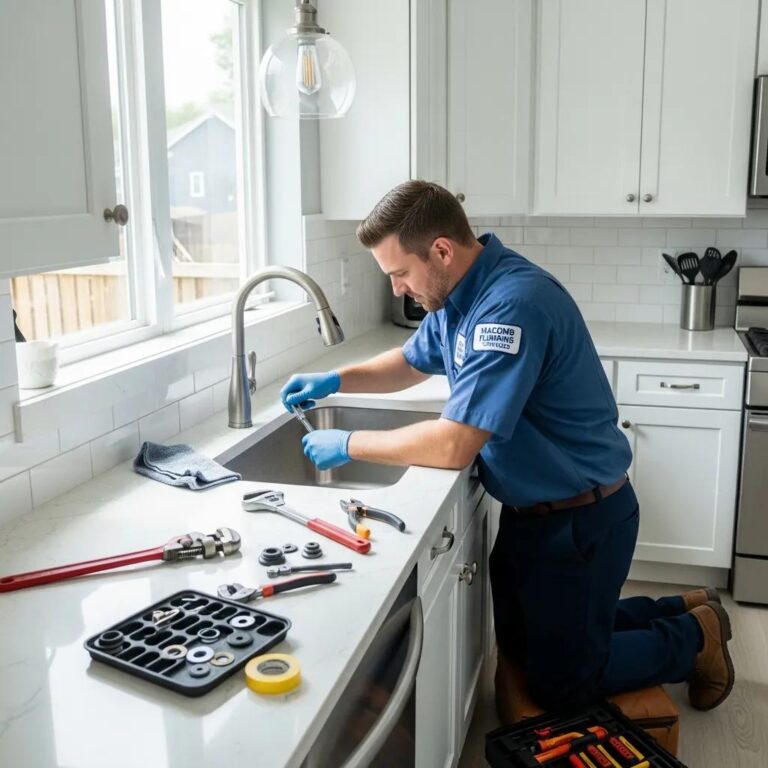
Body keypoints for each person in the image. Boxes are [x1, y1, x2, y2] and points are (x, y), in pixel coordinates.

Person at [280, 180, 734, 712]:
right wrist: (335, 380)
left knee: (563, 681)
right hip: (532, 515)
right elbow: (409, 360)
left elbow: (454, 445)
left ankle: (697, 638)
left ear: (442, 250)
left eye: (399, 273)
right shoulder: (457, 294)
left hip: (581, 519)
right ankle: (684, 608)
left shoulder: (510, 307)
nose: (398, 288)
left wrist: (351, 442)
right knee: (523, 645)